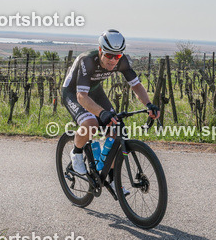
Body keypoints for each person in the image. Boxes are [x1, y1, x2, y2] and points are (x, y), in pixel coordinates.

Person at [60, 29, 159, 175]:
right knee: (91, 124)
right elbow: (81, 96)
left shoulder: (122, 61)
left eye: (117, 56)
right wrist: (101, 113)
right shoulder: (87, 61)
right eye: (109, 55)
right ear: (100, 50)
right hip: (73, 92)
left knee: (116, 128)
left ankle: (111, 177)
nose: (113, 60)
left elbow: (136, 85)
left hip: (94, 90)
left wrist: (149, 105)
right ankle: (76, 152)